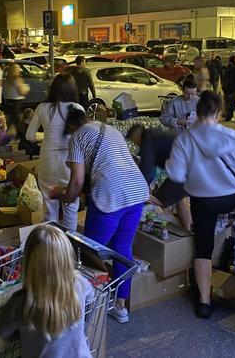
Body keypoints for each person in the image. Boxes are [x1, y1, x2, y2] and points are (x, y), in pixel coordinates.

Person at [166, 91, 235, 318]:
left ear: (196, 112)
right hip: (230, 197)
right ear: (219, 113)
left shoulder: (184, 139)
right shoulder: (231, 136)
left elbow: (176, 174)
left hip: (203, 202)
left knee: (203, 248)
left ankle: (204, 302)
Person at [64, 108, 149, 324]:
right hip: (136, 191)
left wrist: (65, 197)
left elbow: (76, 181)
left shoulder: (77, 136)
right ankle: (121, 307)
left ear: (71, 126)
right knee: (122, 247)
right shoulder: (110, 129)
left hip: (110, 195)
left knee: (90, 253)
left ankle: (85, 312)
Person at [0, 224, 94, 358]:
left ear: (29, 262)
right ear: (66, 259)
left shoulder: (22, 302)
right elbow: (90, 297)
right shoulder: (79, 283)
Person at [26, 73, 84, 230]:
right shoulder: (77, 108)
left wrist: (48, 135)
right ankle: (70, 246)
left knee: (50, 210)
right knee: (71, 209)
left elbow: (30, 136)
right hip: (70, 163)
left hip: (47, 162)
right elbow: (83, 138)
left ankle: (50, 246)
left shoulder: (42, 108)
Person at [125, 124, 192, 231]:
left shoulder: (148, 141)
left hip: (184, 171)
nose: (136, 144)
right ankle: (186, 230)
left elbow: (145, 172)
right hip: (189, 169)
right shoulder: (155, 134)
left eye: (134, 141)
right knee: (179, 196)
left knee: (160, 198)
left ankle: (169, 228)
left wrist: (139, 191)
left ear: (137, 136)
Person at [2, 62, 29, 129]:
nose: (19, 69)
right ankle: (21, 135)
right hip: (17, 101)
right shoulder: (17, 78)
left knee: (12, 120)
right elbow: (22, 91)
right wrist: (27, 88)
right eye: (17, 68)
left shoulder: (7, 79)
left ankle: (6, 134)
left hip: (8, 100)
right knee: (16, 120)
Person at [222, 55, 235, 121]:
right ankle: (229, 116)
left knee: (226, 102)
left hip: (226, 87)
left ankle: (225, 114)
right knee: (231, 103)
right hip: (232, 88)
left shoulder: (227, 67)